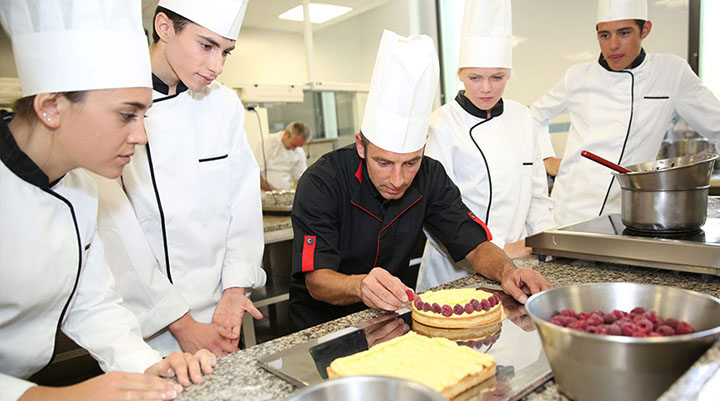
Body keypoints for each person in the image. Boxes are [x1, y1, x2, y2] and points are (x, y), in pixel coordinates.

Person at [0, 1, 215, 400]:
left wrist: (146, 365)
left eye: (144, 116)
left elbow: (91, 302)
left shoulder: (79, 185)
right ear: (50, 107)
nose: (141, 136)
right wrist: (41, 397)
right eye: (126, 116)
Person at [289, 30, 550, 331]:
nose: (397, 179)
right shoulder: (323, 181)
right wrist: (360, 285)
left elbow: (475, 245)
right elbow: (316, 280)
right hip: (320, 327)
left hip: (385, 321)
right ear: (361, 146)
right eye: (383, 162)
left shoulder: (430, 175)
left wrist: (507, 271)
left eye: (410, 162)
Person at [94, 0, 267, 357]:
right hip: (147, 320)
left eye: (226, 53)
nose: (216, 66)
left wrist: (236, 288)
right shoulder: (114, 105)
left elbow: (243, 202)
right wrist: (181, 323)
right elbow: (116, 232)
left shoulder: (225, 106)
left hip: (222, 309)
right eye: (206, 46)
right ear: (164, 27)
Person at [531, 0, 720, 226]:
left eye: (624, 33)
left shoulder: (671, 73)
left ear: (645, 30)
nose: (613, 45)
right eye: (604, 35)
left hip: (631, 211)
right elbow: (535, 116)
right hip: (572, 211)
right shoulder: (578, 76)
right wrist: (546, 159)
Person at [416, 0, 555, 292]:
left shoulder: (522, 117)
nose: (486, 88)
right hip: (454, 272)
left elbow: (538, 197)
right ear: (460, 75)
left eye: (497, 78)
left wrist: (547, 245)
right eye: (475, 78)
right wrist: (502, 248)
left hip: (520, 265)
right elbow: (436, 213)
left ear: (509, 74)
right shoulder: (441, 124)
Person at [253, 121, 310, 191]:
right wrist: (274, 191)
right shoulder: (266, 143)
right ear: (286, 134)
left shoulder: (299, 151)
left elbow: (301, 177)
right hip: (264, 193)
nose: (294, 149)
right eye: (293, 145)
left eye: (298, 146)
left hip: (285, 191)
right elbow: (255, 173)